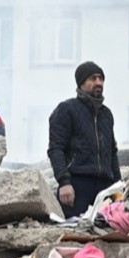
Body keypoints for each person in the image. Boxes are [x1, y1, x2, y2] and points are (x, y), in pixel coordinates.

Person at [47, 61, 119, 218]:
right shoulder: (67, 110)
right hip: (77, 186)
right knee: (75, 233)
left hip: (104, 187)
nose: (98, 82)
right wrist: (64, 182)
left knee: (106, 233)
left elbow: (112, 153)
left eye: (101, 78)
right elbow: (55, 149)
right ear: (81, 83)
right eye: (93, 79)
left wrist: (118, 187)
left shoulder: (107, 115)